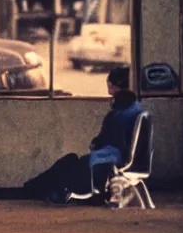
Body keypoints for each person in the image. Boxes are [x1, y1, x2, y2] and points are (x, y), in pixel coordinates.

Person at [24, 66, 143, 204]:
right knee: (69, 162)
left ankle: (31, 189)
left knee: (68, 162)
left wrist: (96, 144)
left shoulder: (118, 114)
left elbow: (103, 141)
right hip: (114, 160)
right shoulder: (136, 109)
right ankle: (33, 188)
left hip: (105, 163)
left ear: (111, 84)